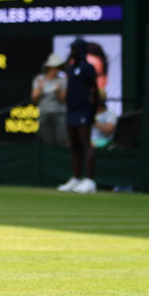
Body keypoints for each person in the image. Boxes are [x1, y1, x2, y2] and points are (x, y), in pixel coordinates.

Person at [60, 40, 100, 194]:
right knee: (75, 146)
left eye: (74, 48)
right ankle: (76, 178)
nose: (72, 51)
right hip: (72, 110)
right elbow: (63, 66)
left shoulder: (87, 68)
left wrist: (93, 110)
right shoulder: (71, 68)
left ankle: (90, 181)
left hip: (84, 110)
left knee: (86, 145)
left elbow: (94, 89)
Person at [32, 52, 67, 153]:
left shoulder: (63, 81)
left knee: (61, 140)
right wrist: (40, 89)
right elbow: (34, 99)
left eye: (58, 67)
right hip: (44, 112)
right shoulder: (39, 80)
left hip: (59, 113)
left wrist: (57, 92)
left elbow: (63, 99)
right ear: (49, 67)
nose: (56, 69)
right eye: (54, 67)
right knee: (47, 141)